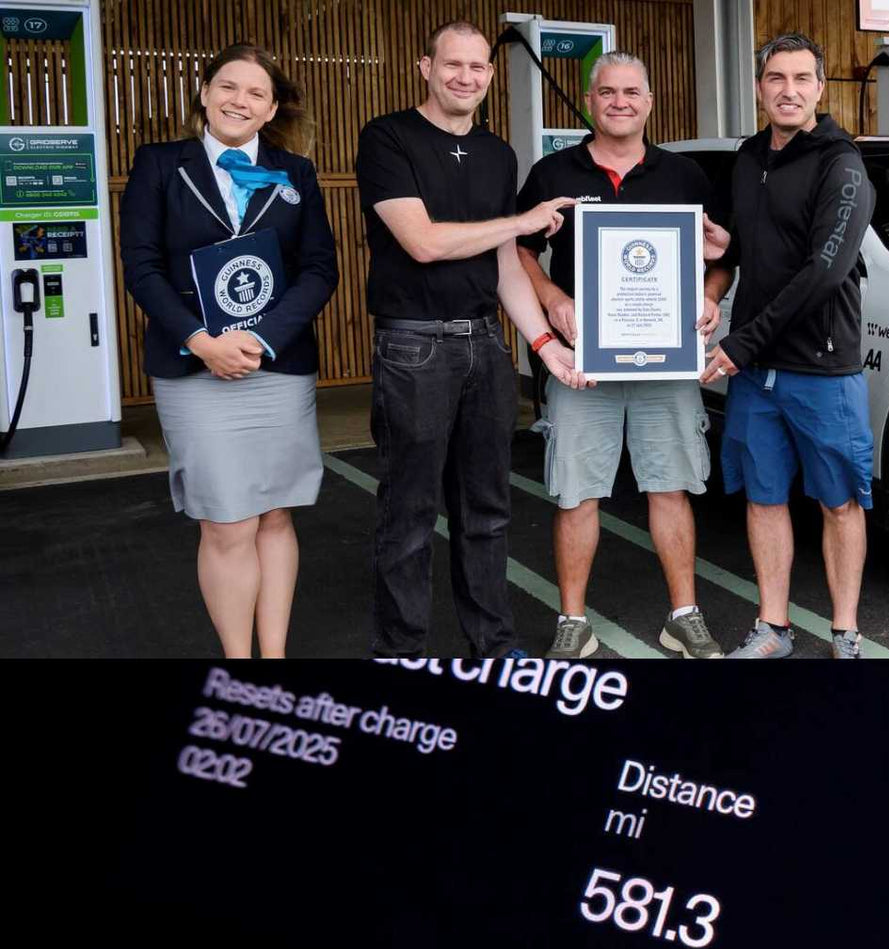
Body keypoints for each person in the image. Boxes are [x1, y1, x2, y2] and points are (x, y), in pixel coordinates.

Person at [355, 20, 579, 659]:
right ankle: (404, 651)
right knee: (410, 517)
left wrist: (542, 345)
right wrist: (525, 220)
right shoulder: (387, 137)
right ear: (424, 65)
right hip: (413, 348)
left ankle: (494, 647)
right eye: (453, 64)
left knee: (488, 511)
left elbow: (505, 262)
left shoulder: (497, 153)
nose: (467, 77)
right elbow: (423, 242)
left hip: (486, 347)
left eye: (479, 67)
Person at [120, 43, 338, 658]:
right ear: (206, 91)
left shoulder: (294, 173)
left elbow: (319, 268)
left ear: (271, 110)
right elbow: (141, 266)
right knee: (228, 519)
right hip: (196, 368)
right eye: (227, 86)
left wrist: (265, 339)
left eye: (255, 93)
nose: (239, 100)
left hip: (278, 366)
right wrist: (200, 340)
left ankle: (275, 658)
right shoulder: (162, 166)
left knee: (275, 514)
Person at [516, 52, 734, 660]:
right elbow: (521, 250)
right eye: (607, 92)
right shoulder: (552, 172)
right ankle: (572, 622)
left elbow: (720, 254)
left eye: (631, 92)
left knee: (671, 487)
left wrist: (711, 299)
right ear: (590, 101)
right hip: (583, 360)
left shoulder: (685, 176)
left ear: (649, 101)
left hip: (664, 361)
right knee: (577, 492)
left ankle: (683, 617)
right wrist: (553, 298)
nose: (619, 102)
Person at [699, 33, 875, 659]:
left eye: (802, 79)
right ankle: (772, 628)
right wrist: (723, 252)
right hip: (757, 371)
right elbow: (750, 245)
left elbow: (824, 270)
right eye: (776, 78)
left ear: (820, 88)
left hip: (822, 369)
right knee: (764, 497)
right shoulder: (748, 157)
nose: (789, 91)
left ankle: (845, 630)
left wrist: (740, 344)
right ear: (759, 87)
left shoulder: (841, 164)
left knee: (839, 502)